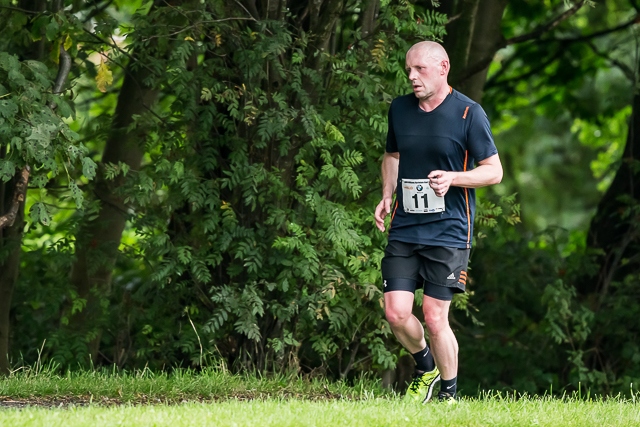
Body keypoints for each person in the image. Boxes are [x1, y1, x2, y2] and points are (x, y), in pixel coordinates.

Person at [374, 41, 503, 403]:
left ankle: (449, 395)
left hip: (449, 230)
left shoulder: (468, 113)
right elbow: (392, 154)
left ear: (443, 67)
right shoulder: (400, 109)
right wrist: (387, 193)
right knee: (396, 312)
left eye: (420, 69)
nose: (412, 77)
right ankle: (426, 368)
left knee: (433, 316)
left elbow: (494, 172)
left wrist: (453, 178)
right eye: (409, 70)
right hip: (405, 225)